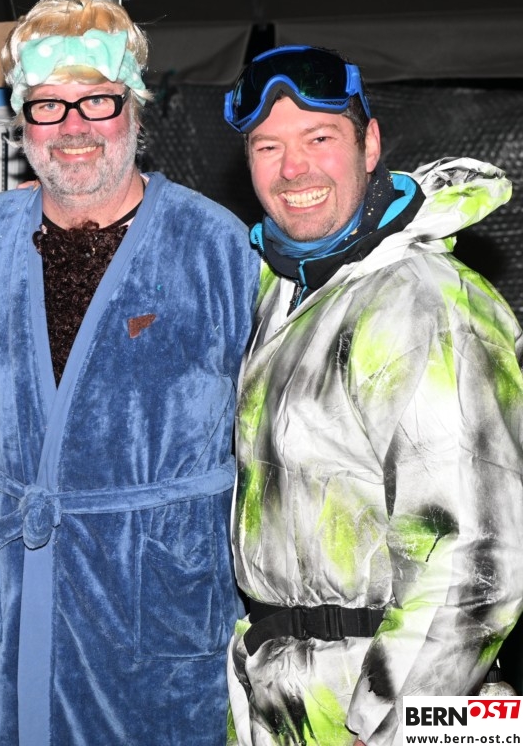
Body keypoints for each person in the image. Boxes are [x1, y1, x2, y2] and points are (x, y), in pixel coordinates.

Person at [0, 0, 261, 746]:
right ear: (22, 119)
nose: (74, 126)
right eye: (49, 105)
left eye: (97, 101)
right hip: (18, 609)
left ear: (135, 109)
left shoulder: (214, 247)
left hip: (156, 620)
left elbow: (273, 445)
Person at [221, 44, 523, 746]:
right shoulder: (285, 292)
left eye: (319, 139)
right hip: (292, 703)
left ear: (370, 145)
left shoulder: (425, 303)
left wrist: (388, 722)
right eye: (268, 147)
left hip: (393, 709)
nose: (293, 169)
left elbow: (478, 562)